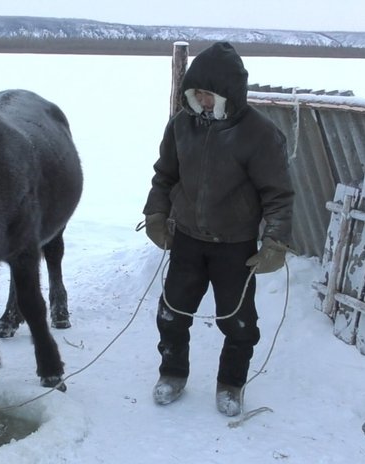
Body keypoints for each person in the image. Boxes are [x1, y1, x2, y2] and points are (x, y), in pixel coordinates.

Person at [142, 41, 293, 416]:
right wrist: (156, 214)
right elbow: (165, 176)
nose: (205, 102)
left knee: (239, 323)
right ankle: (172, 374)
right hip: (188, 239)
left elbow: (277, 194)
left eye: (211, 95)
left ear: (230, 94)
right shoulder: (181, 126)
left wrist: (274, 240)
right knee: (172, 313)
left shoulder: (259, 134)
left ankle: (231, 384)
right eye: (198, 95)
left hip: (234, 246)